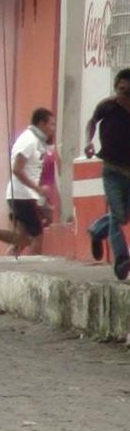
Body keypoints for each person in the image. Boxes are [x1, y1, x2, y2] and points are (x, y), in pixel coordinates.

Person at [0, 108, 56, 256]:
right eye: (51, 125)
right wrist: (37, 188)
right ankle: (34, 271)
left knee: (20, 239)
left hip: (24, 195)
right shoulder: (29, 141)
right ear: (41, 124)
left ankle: (7, 268)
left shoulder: (35, 141)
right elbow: (17, 169)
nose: (53, 129)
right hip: (22, 196)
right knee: (37, 237)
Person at [86, 68, 130, 280]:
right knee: (118, 214)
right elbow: (92, 122)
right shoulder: (108, 106)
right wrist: (88, 142)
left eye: (129, 92)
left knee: (122, 214)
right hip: (112, 170)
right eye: (121, 90)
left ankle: (96, 230)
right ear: (116, 89)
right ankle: (121, 259)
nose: (124, 96)